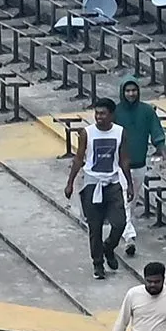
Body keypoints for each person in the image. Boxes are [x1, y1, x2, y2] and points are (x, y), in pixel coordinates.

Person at [63, 103, 132, 279]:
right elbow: (79, 158)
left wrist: (129, 183)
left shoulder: (119, 132)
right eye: (97, 113)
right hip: (92, 184)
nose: (99, 117)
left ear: (111, 115)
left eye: (103, 114)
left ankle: (108, 248)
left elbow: (124, 159)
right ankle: (98, 264)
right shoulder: (87, 133)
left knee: (120, 223)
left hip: (113, 182)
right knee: (95, 227)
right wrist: (70, 182)